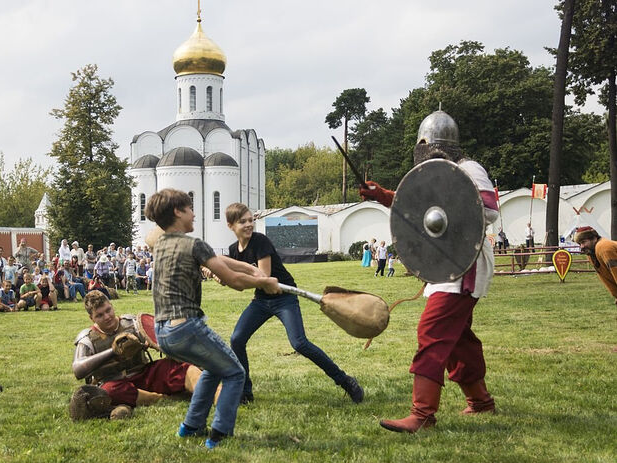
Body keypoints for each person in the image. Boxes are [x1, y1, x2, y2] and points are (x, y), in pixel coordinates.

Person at [360, 109, 498, 433]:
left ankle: (422, 414)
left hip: (465, 263)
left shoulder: (467, 169)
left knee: (432, 331)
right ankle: (480, 401)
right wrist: (382, 195)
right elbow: (418, 208)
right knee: (459, 338)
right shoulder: (433, 174)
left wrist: (451, 199)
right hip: (445, 264)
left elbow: (488, 209)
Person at [146, 188, 280, 449]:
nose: (194, 213)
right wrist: (264, 282)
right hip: (186, 326)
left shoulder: (160, 243)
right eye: (189, 208)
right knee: (234, 373)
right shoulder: (194, 244)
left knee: (214, 368)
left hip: (163, 332)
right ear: (177, 212)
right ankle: (219, 435)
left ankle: (190, 427)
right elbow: (233, 281)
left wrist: (250, 269)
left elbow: (217, 260)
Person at [222, 202, 364, 406]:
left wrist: (231, 273)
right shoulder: (233, 250)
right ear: (230, 225)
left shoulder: (260, 241)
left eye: (250, 220)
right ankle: (245, 392)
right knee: (237, 339)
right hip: (261, 301)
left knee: (299, 343)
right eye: (242, 221)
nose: (248, 225)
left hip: (283, 297)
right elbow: (238, 284)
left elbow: (264, 277)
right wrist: (220, 276)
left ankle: (345, 381)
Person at [73, 291, 212, 411]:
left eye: (108, 310)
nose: (107, 316)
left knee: (176, 368)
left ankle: (212, 391)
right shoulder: (88, 338)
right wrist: (113, 351)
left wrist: (146, 343)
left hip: (144, 374)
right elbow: (79, 369)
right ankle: (158, 398)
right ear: (91, 318)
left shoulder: (132, 323)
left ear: (112, 305)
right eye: (100, 315)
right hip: (115, 383)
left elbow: (162, 339)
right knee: (108, 391)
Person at [574, 226, 617, 304]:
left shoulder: (605, 247)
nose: (582, 247)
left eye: (584, 242)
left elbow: (616, 270)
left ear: (594, 238)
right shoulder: (591, 253)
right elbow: (604, 276)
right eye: (580, 244)